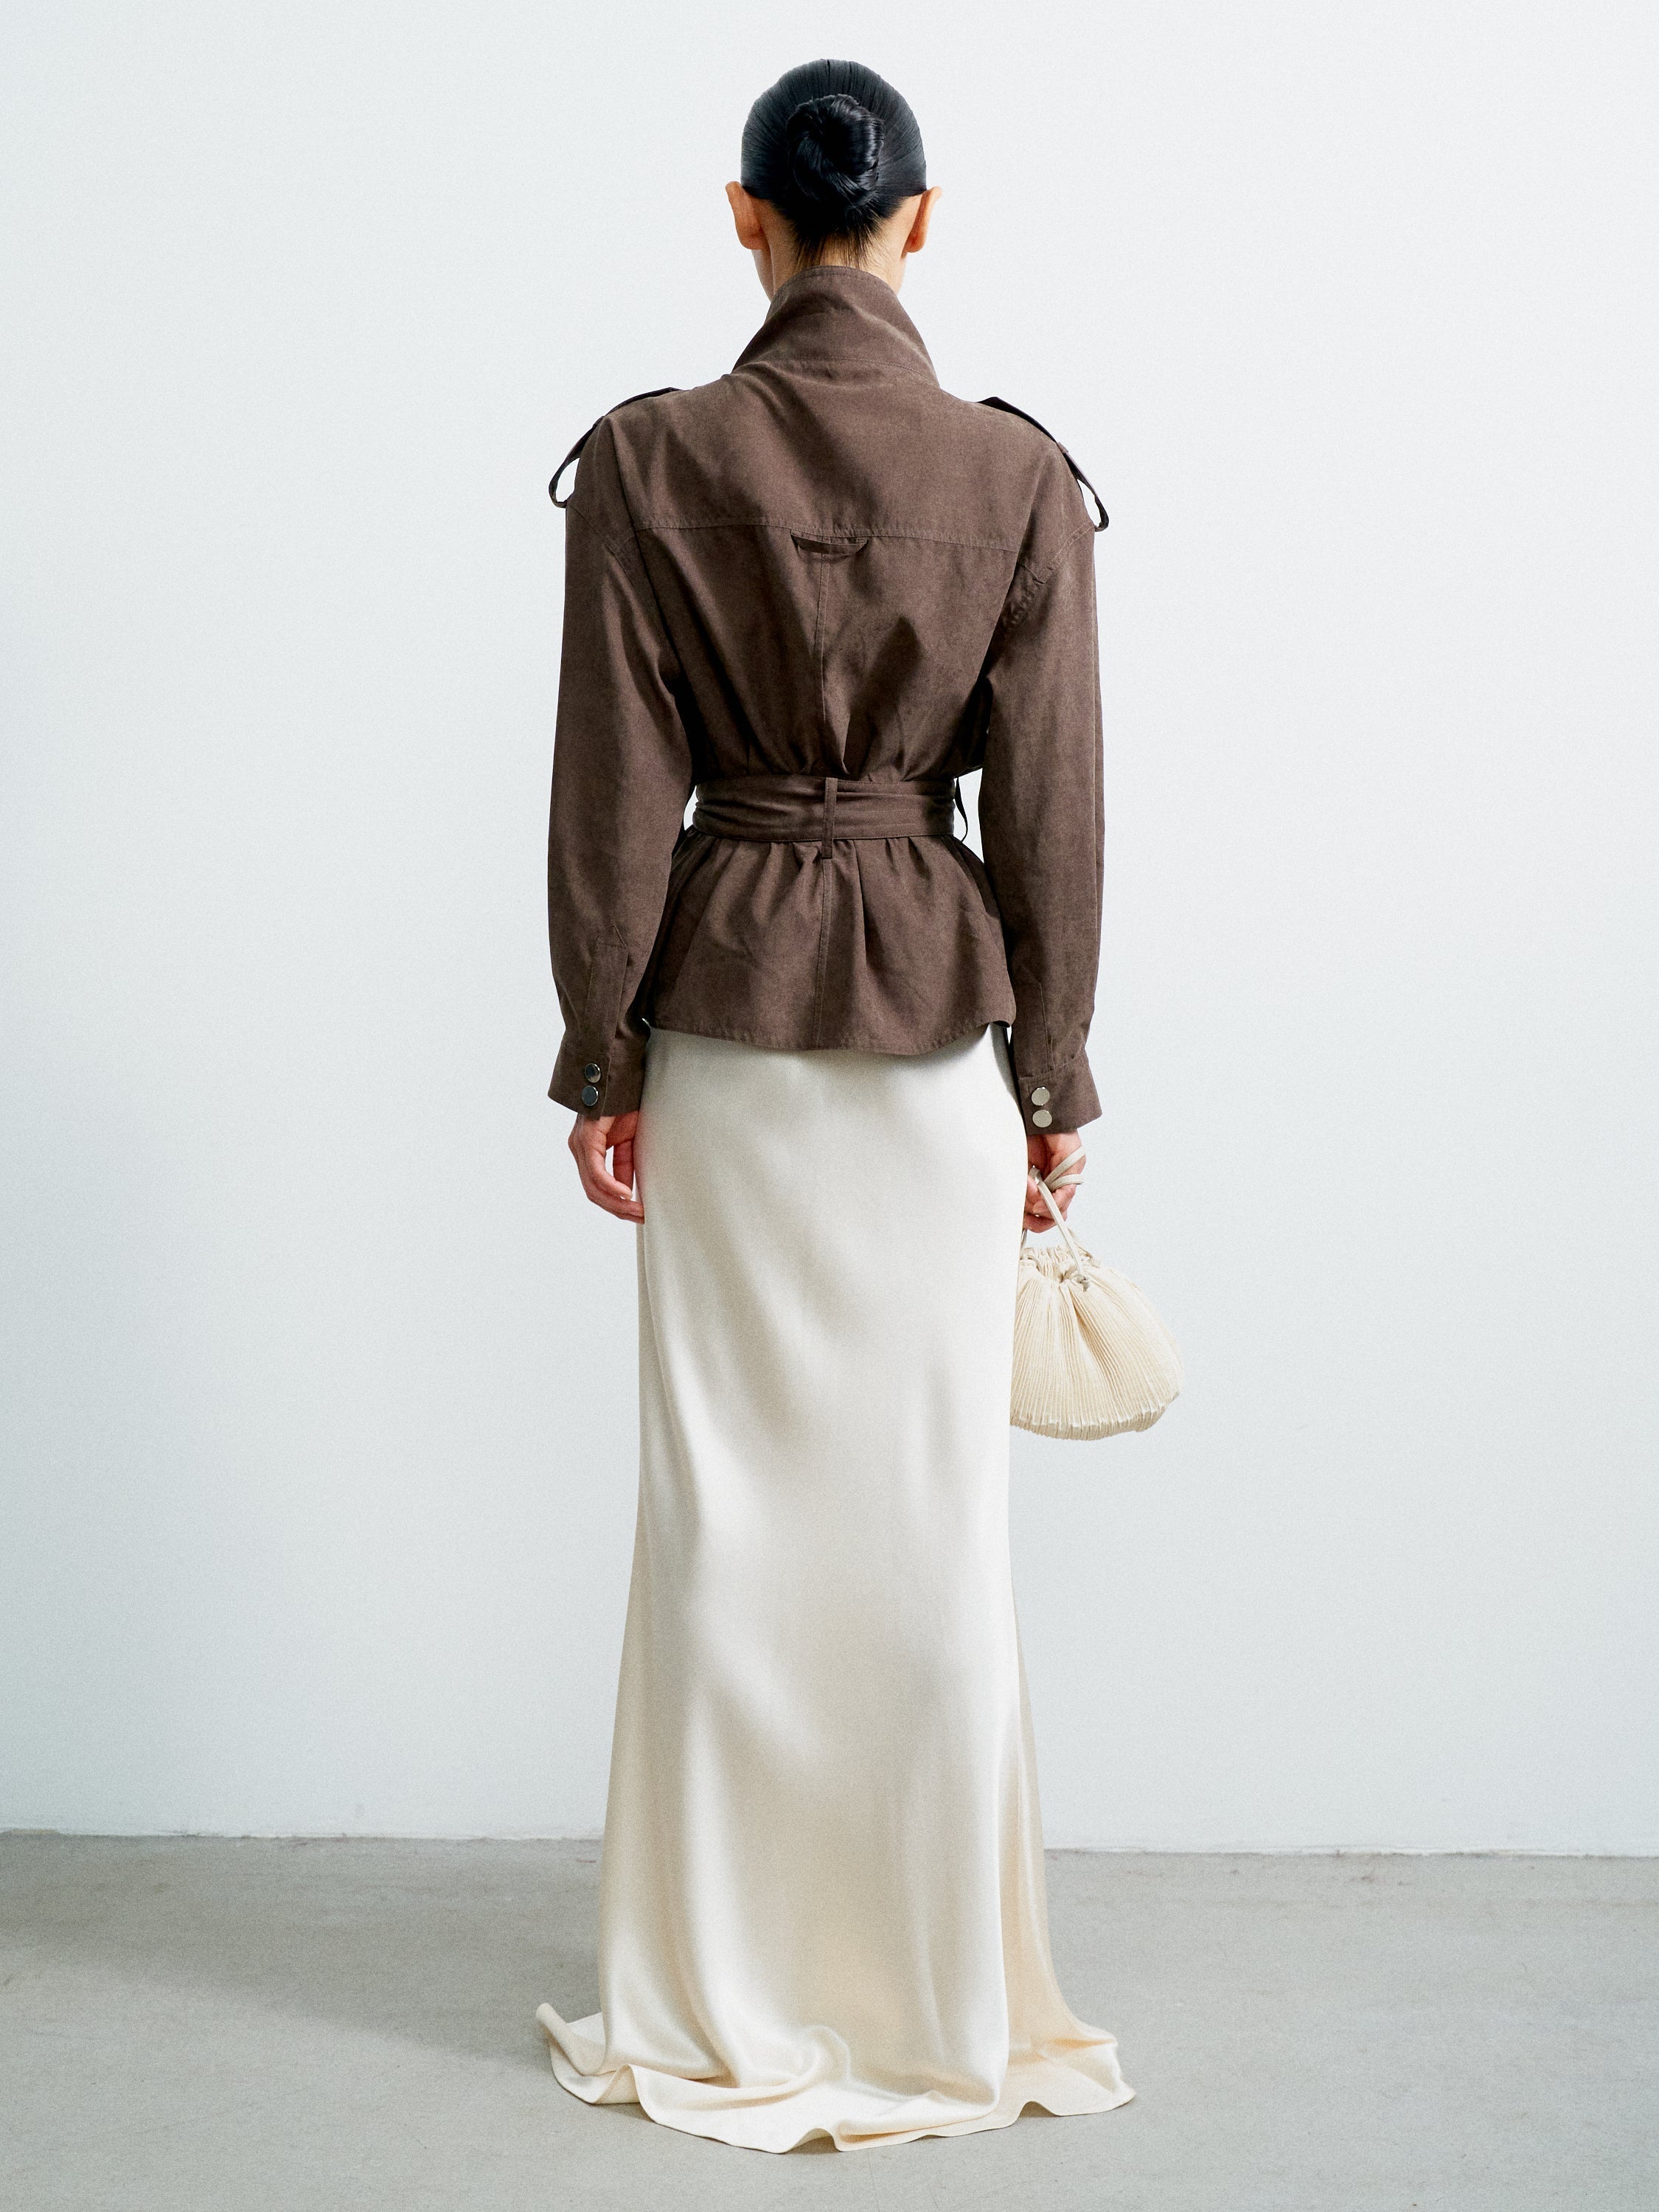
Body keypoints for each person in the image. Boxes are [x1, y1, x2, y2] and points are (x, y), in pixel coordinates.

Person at [535, 57, 1133, 2153]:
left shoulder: (646, 460)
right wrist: (1054, 1076)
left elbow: (613, 793)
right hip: (935, 1045)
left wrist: (602, 1056)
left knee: (722, 1522)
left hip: (722, 1031)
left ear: (744, 217)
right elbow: (1051, 810)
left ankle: (722, 1979)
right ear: (921, 220)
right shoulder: (1015, 473)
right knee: (934, 1534)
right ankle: (928, 1988)